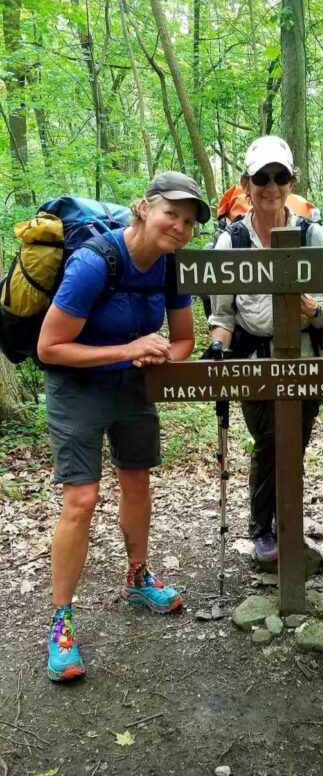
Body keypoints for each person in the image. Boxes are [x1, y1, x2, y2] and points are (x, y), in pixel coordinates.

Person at [37, 172, 210, 681]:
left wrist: (157, 355)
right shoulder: (94, 262)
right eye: (170, 215)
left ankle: (138, 576)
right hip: (77, 389)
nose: (178, 227)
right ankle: (61, 620)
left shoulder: (169, 268)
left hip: (133, 388)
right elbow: (50, 348)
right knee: (82, 499)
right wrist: (129, 349)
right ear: (143, 209)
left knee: (137, 481)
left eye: (188, 222)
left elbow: (182, 340)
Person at [207, 135, 323, 563]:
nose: (271, 185)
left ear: (291, 181)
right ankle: (264, 527)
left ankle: (287, 523)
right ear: (246, 183)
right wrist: (216, 351)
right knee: (270, 439)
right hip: (254, 360)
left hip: (304, 357)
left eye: (279, 176)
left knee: (294, 442)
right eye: (261, 177)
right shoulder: (232, 243)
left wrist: (312, 308)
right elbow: (223, 316)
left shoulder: (311, 234)